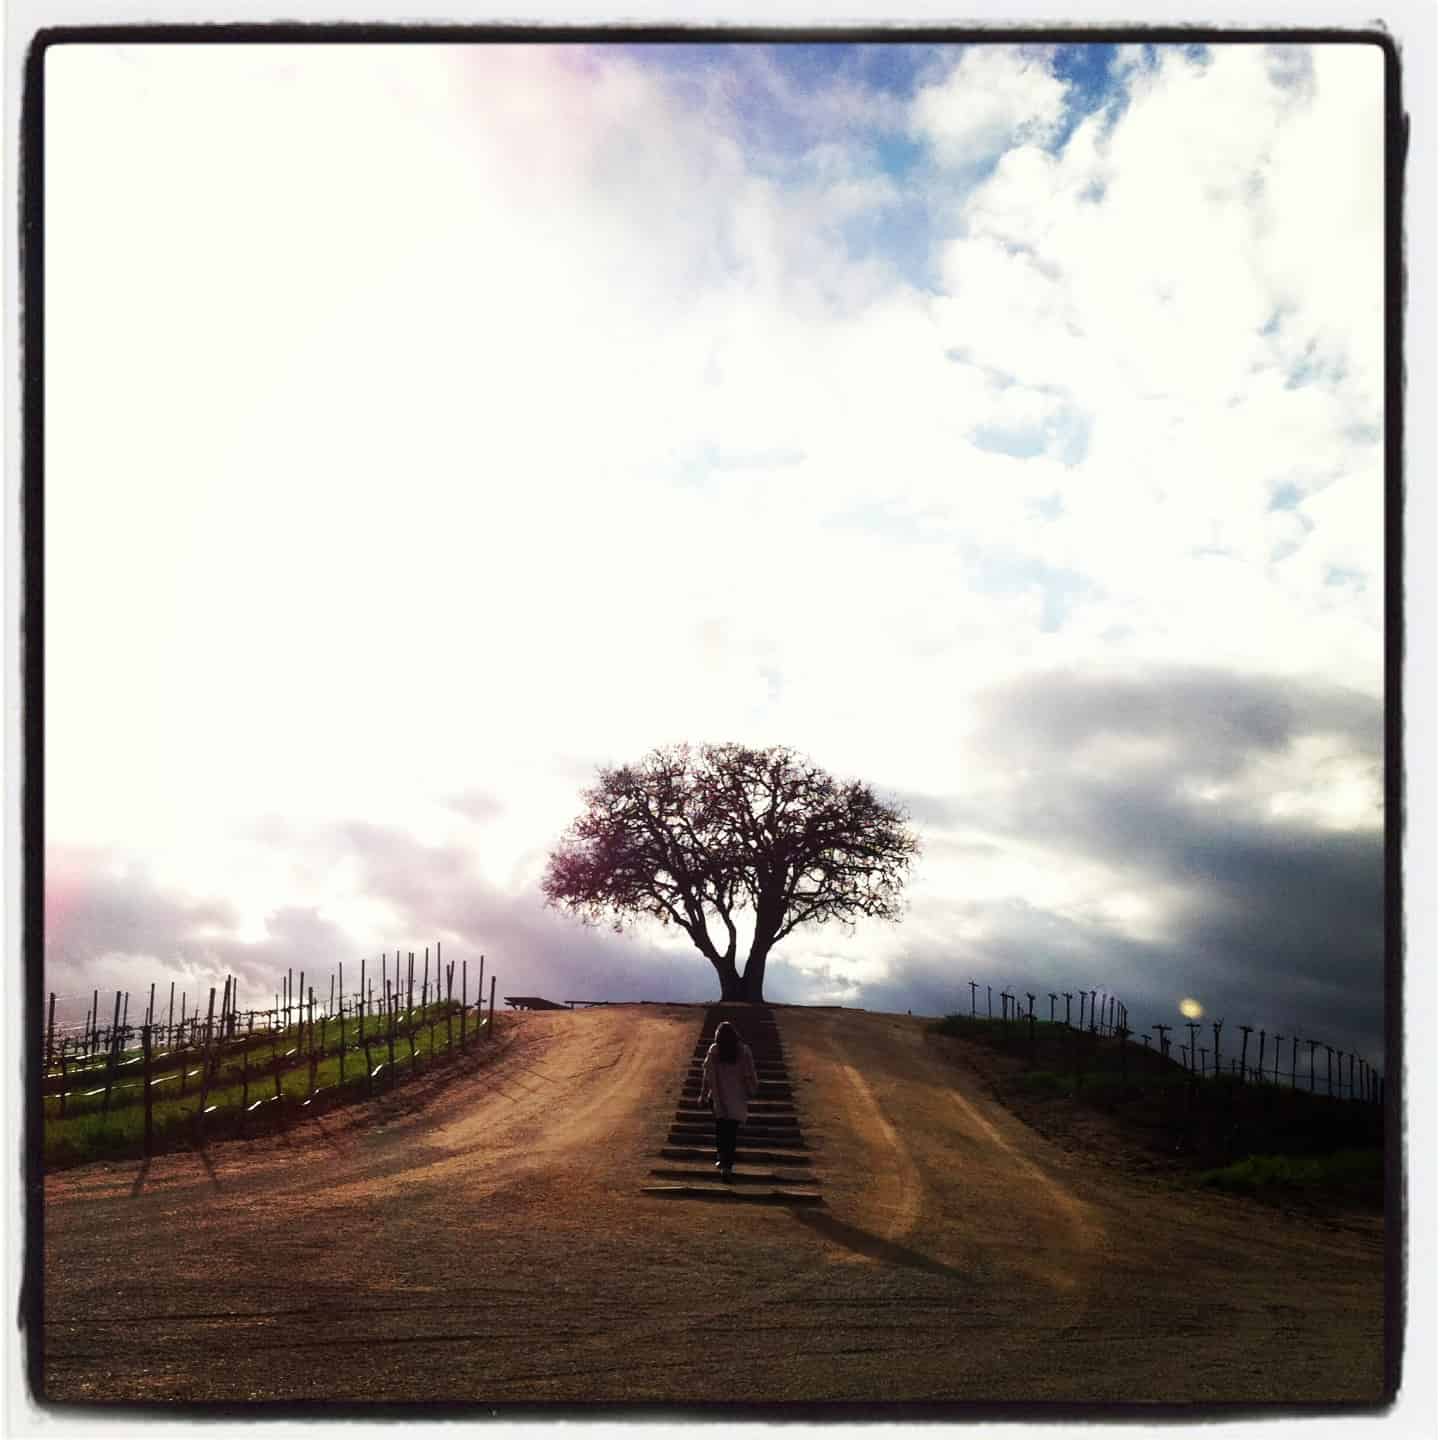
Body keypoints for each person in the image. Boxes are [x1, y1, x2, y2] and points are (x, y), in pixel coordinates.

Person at [698, 1019, 759, 1180]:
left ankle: (722, 1159)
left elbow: (707, 1076)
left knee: (720, 1131)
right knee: (731, 1134)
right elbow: (750, 1073)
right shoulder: (743, 1050)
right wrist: (752, 1088)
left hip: (718, 1098)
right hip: (736, 1098)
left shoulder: (714, 1050)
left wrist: (703, 1095)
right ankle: (727, 1166)